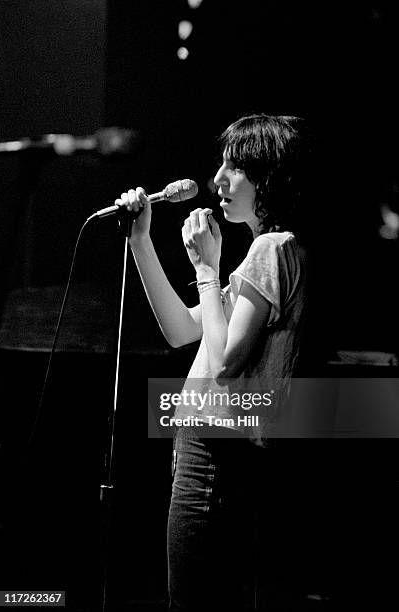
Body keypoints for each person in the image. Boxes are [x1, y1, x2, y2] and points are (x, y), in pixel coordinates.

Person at [115, 114, 314, 611]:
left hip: (217, 453)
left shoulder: (274, 247)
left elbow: (224, 363)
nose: (217, 180)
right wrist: (141, 240)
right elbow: (183, 331)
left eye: (235, 168)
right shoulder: (264, 252)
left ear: (268, 179)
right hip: (212, 450)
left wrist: (207, 269)